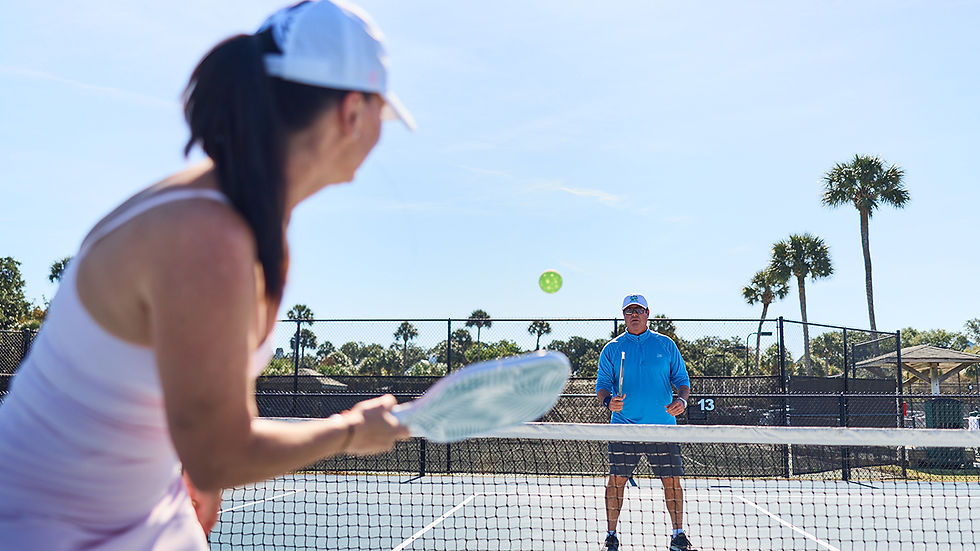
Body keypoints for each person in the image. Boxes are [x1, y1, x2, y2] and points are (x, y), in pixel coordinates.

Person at [0, 1, 413, 548]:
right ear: (352, 113)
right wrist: (352, 432)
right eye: (382, 116)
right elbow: (219, 456)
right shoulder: (210, 237)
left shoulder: (242, 215)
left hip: (141, 510)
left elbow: (198, 407)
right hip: (38, 528)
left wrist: (193, 464)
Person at [595, 294, 696, 551]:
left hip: (662, 428)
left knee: (672, 482)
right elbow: (602, 387)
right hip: (623, 427)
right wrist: (609, 402)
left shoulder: (666, 345)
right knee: (615, 481)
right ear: (624, 316)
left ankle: (678, 534)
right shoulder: (612, 349)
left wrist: (682, 402)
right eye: (629, 311)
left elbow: (683, 382)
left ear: (648, 313)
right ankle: (611, 535)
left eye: (639, 309)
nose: (634, 314)